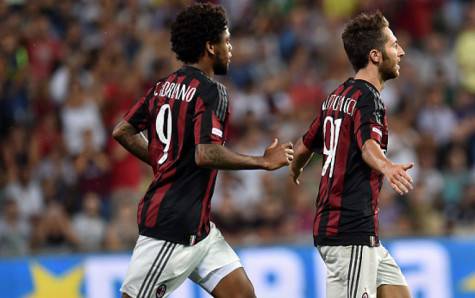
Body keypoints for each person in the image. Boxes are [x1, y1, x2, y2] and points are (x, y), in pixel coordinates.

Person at [112, 3, 293, 298]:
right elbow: (205, 154)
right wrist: (262, 161)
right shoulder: (212, 91)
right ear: (210, 46)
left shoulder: (163, 86)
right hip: (172, 225)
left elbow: (123, 130)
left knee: (243, 295)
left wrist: (163, 160)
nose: (231, 48)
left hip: (200, 230)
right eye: (227, 40)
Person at [290, 11, 413, 298]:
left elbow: (305, 145)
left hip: (354, 231)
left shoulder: (337, 96)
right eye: (394, 45)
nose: (402, 52)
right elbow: (368, 145)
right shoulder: (369, 99)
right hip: (349, 231)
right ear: (375, 55)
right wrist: (387, 166)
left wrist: (294, 169)